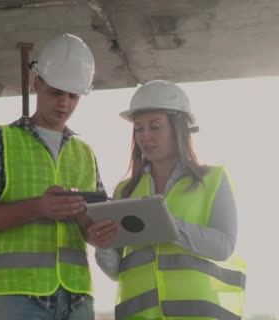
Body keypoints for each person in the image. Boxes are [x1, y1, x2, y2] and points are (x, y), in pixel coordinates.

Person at [0, 33, 119, 320]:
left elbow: (91, 222)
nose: (65, 104)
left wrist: (93, 230)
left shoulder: (85, 153)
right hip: (15, 298)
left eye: (73, 96)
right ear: (37, 84)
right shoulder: (0, 141)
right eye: (57, 93)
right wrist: (38, 207)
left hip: (77, 297)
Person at [95, 80, 247, 320]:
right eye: (139, 128)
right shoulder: (125, 191)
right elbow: (117, 270)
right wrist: (101, 245)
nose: (145, 137)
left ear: (179, 129)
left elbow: (224, 246)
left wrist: (168, 225)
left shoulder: (214, 179)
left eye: (155, 127)